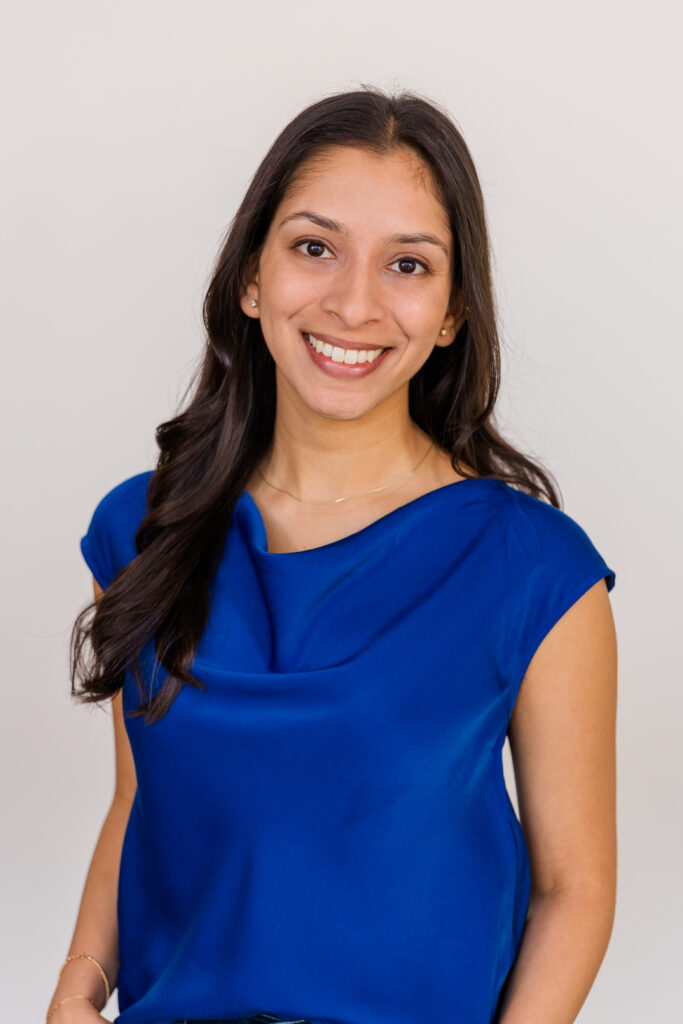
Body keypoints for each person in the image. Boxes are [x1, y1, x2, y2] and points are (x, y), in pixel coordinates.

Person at [49, 87, 618, 1024]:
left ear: (449, 315)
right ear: (251, 278)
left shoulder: (534, 571)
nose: (353, 303)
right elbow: (140, 803)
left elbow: (574, 890)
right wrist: (79, 987)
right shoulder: (144, 529)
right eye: (314, 248)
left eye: (407, 264)